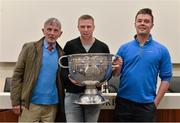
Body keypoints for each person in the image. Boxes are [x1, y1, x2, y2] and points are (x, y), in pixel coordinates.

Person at [113, 8, 172, 122]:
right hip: (123, 103)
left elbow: (166, 79)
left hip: (147, 106)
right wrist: (117, 67)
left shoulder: (162, 50)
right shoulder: (124, 48)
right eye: (139, 21)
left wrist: (155, 104)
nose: (142, 23)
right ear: (135, 24)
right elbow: (116, 74)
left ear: (152, 25)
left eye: (146, 21)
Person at [10, 17, 66, 122]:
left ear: (60, 33)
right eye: (49, 29)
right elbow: (17, 75)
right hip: (30, 104)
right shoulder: (29, 48)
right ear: (43, 30)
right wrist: (15, 102)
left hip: (52, 106)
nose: (52, 33)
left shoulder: (62, 54)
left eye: (55, 30)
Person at [62, 14, 110, 122]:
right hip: (73, 94)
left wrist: (102, 81)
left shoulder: (102, 47)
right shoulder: (70, 45)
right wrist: (70, 79)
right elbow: (63, 70)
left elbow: (107, 71)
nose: (86, 29)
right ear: (78, 27)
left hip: (94, 95)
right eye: (82, 27)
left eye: (88, 26)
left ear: (94, 27)